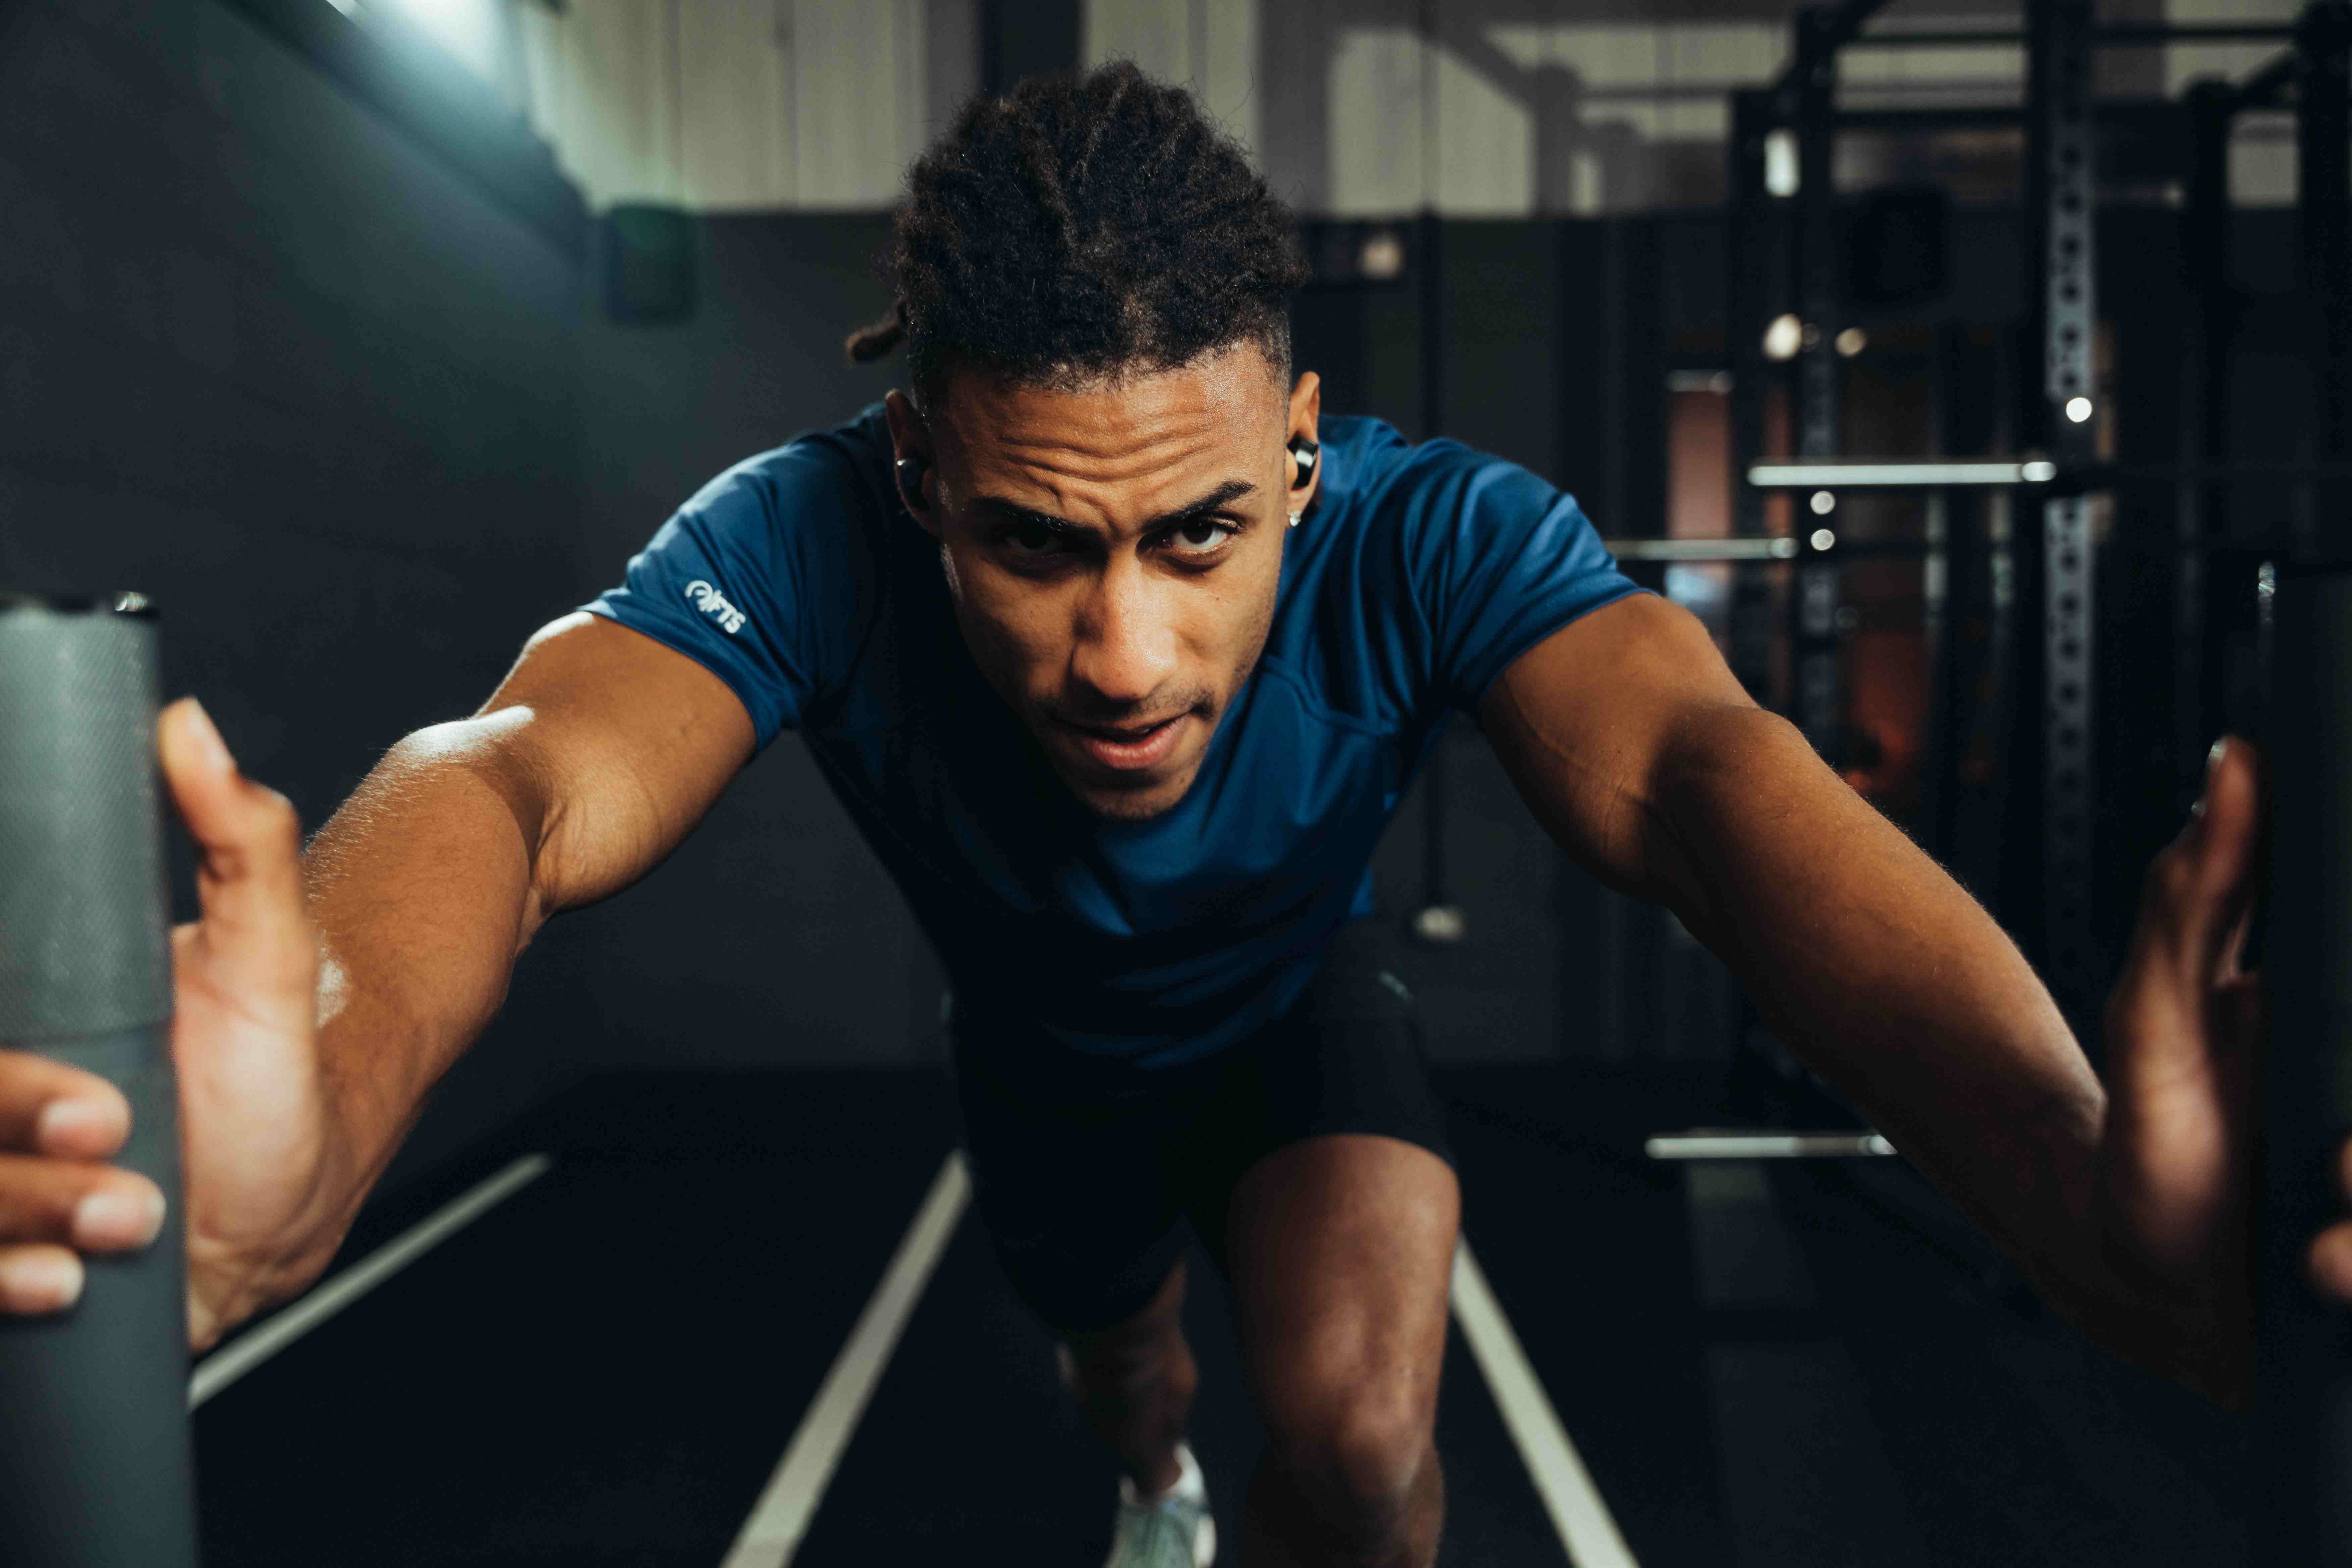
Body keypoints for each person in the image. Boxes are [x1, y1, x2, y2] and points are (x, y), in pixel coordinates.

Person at [0, 64, 2322, 1567]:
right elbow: (513, 783)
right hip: (1044, 1072)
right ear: (924, 481)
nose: (1125, 652)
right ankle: (1151, 1481)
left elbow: (1713, 785)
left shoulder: (1439, 535)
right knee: (1150, 1400)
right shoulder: (804, 538)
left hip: (1304, 1021)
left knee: (1372, 1444)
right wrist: (330, 1041)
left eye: (1199, 537)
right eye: (1034, 546)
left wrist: (2062, 1165)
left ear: (1299, 452)